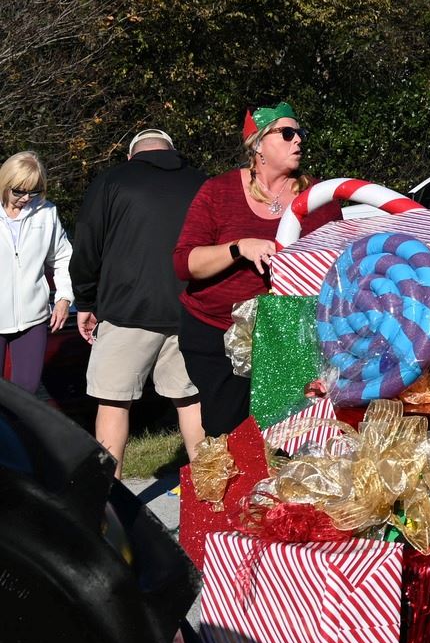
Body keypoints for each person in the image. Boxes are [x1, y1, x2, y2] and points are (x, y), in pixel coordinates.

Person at [172, 104, 339, 436]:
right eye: (287, 133)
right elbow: (184, 262)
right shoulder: (218, 192)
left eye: (300, 133)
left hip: (292, 336)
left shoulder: (321, 197)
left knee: (292, 435)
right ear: (258, 144)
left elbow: (337, 268)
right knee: (231, 434)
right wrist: (238, 248)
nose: (298, 141)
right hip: (216, 332)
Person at [69, 128, 210, 465]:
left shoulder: (112, 181)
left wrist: (86, 302)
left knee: (113, 402)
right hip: (189, 310)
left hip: (125, 311)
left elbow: (87, 247)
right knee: (190, 400)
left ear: (132, 156)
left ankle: (110, 505)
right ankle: (210, 498)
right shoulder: (203, 184)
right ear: (172, 151)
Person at [1, 152, 74, 397]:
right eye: (19, 191)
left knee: (26, 392)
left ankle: (18, 436)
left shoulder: (46, 213)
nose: (26, 198)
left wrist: (64, 298)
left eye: (33, 191)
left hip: (33, 318)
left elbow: (63, 257)